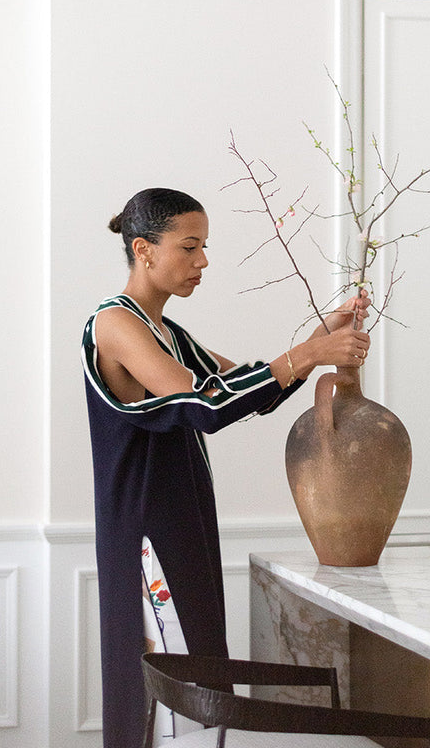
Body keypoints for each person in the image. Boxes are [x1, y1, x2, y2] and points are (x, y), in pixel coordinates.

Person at [81, 188, 370, 748]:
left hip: (182, 521)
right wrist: (312, 354)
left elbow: (251, 393)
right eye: (190, 247)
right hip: (146, 531)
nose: (203, 261)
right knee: (174, 688)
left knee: (198, 671)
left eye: (204, 247)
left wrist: (322, 336)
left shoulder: (167, 333)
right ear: (143, 249)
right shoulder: (115, 323)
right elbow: (206, 406)